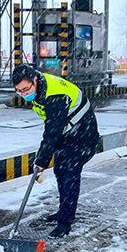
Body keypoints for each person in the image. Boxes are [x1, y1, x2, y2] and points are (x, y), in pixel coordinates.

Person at [12, 64, 100, 238]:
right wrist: (43, 157)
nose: (23, 94)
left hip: (83, 136)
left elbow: (52, 131)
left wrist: (41, 160)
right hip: (68, 134)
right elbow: (53, 128)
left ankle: (65, 223)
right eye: (19, 91)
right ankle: (63, 212)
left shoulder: (55, 96)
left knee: (69, 174)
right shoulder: (40, 88)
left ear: (35, 80)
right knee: (61, 170)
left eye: (25, 89)